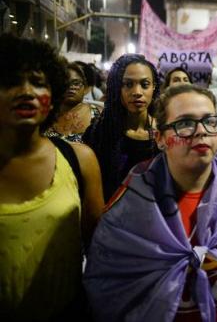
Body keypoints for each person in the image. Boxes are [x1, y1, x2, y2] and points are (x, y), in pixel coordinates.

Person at [84, 84, 217, 322]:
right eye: (185, 123)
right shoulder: (131, 203)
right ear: (160, 138)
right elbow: (109, 282)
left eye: (210, 121)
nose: (201, 131)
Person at [0, 34, 104, 320]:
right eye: (10, 82)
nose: (26, 91)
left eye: (38, 82)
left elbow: (100, 250)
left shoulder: (80, 160)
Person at [83, 54, 161, 201]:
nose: (137, 92)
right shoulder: (99, 133)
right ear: (116, 88)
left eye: (145, 85)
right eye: (128, 84)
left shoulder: (166, 133)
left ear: (154, 87)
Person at [45, 62, 101, 143]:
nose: (71, 87)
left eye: (76, 83)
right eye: (65, 83)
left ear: (84, 87)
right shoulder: (45, 115)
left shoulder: (99, 115)